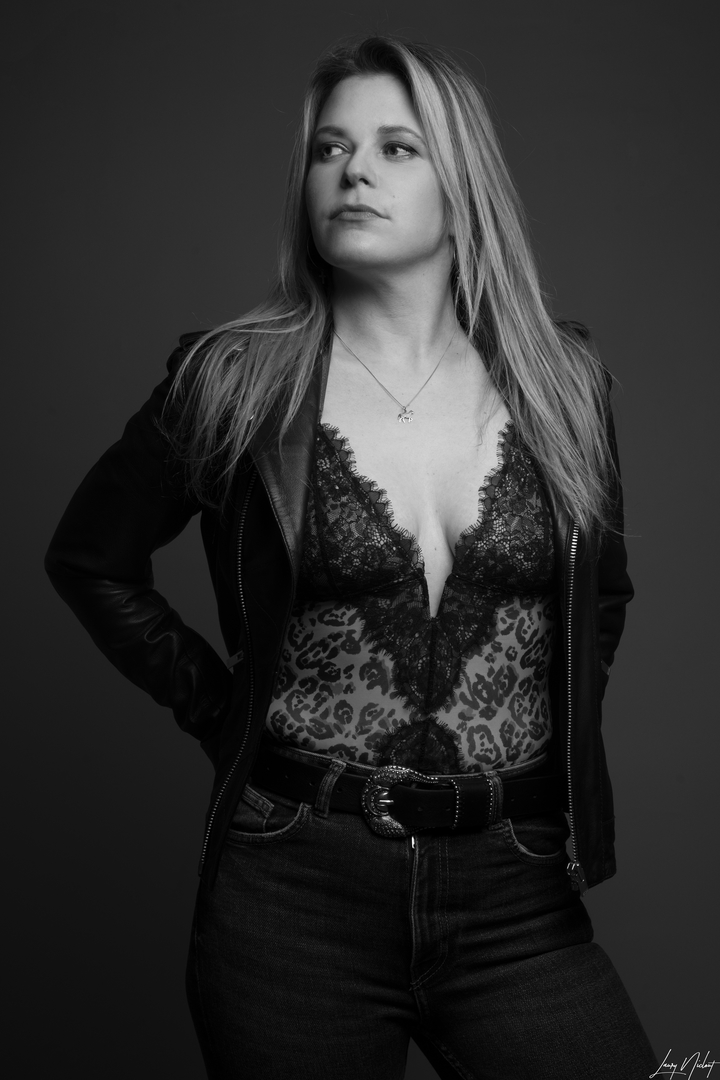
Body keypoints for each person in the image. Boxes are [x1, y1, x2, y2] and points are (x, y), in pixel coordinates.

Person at [45, 35, 659, 1080]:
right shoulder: (233, 379)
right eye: (330, 148)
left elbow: (600, 598)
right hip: (293, 887)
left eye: (395, 147)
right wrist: (221, 712)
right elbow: (90, 558)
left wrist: (547, 766)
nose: (352, 172)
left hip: (516, 887)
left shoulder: (564, 381)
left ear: (462, 183)